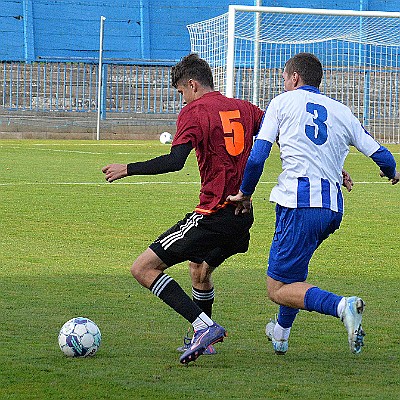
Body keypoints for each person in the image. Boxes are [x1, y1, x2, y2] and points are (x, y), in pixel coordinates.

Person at [227, 52, 399, 356]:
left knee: (276, 289)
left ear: (294, 78)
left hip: (299, 205)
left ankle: (342, 306)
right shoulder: (341, 110)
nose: (282, 83)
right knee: (293, 274)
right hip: (332, 208)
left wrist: (245, 192)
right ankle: (280, 333)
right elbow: (381, 155)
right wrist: (391, 171)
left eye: (283, 78)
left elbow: (257, 156)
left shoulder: (282, 102)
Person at [102, 53, 265, 364]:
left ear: (191, 84)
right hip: (242, 217)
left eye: (180, 93)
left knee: (143, 268)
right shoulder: (245, 108)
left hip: (213, 215)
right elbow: (282, 134)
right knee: (199, 270)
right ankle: (206, 340)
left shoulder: (196, 111)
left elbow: (175, 162)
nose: (182, 100)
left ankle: (204, 326)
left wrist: (129, 168)